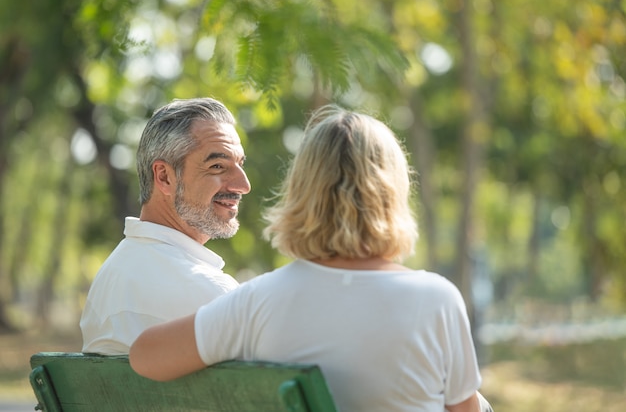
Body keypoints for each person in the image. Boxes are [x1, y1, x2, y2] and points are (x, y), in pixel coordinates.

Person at [129, 105, 491, 412]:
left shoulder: (258, 301)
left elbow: (144, 356)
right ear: (392, 193)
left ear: (302, 190)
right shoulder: (436, 299)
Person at [80, 97, 251, 354]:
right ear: (164, 176)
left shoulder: (108, 279)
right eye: (218, 166)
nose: (243, 185)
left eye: (240, 164)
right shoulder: (216, 297)